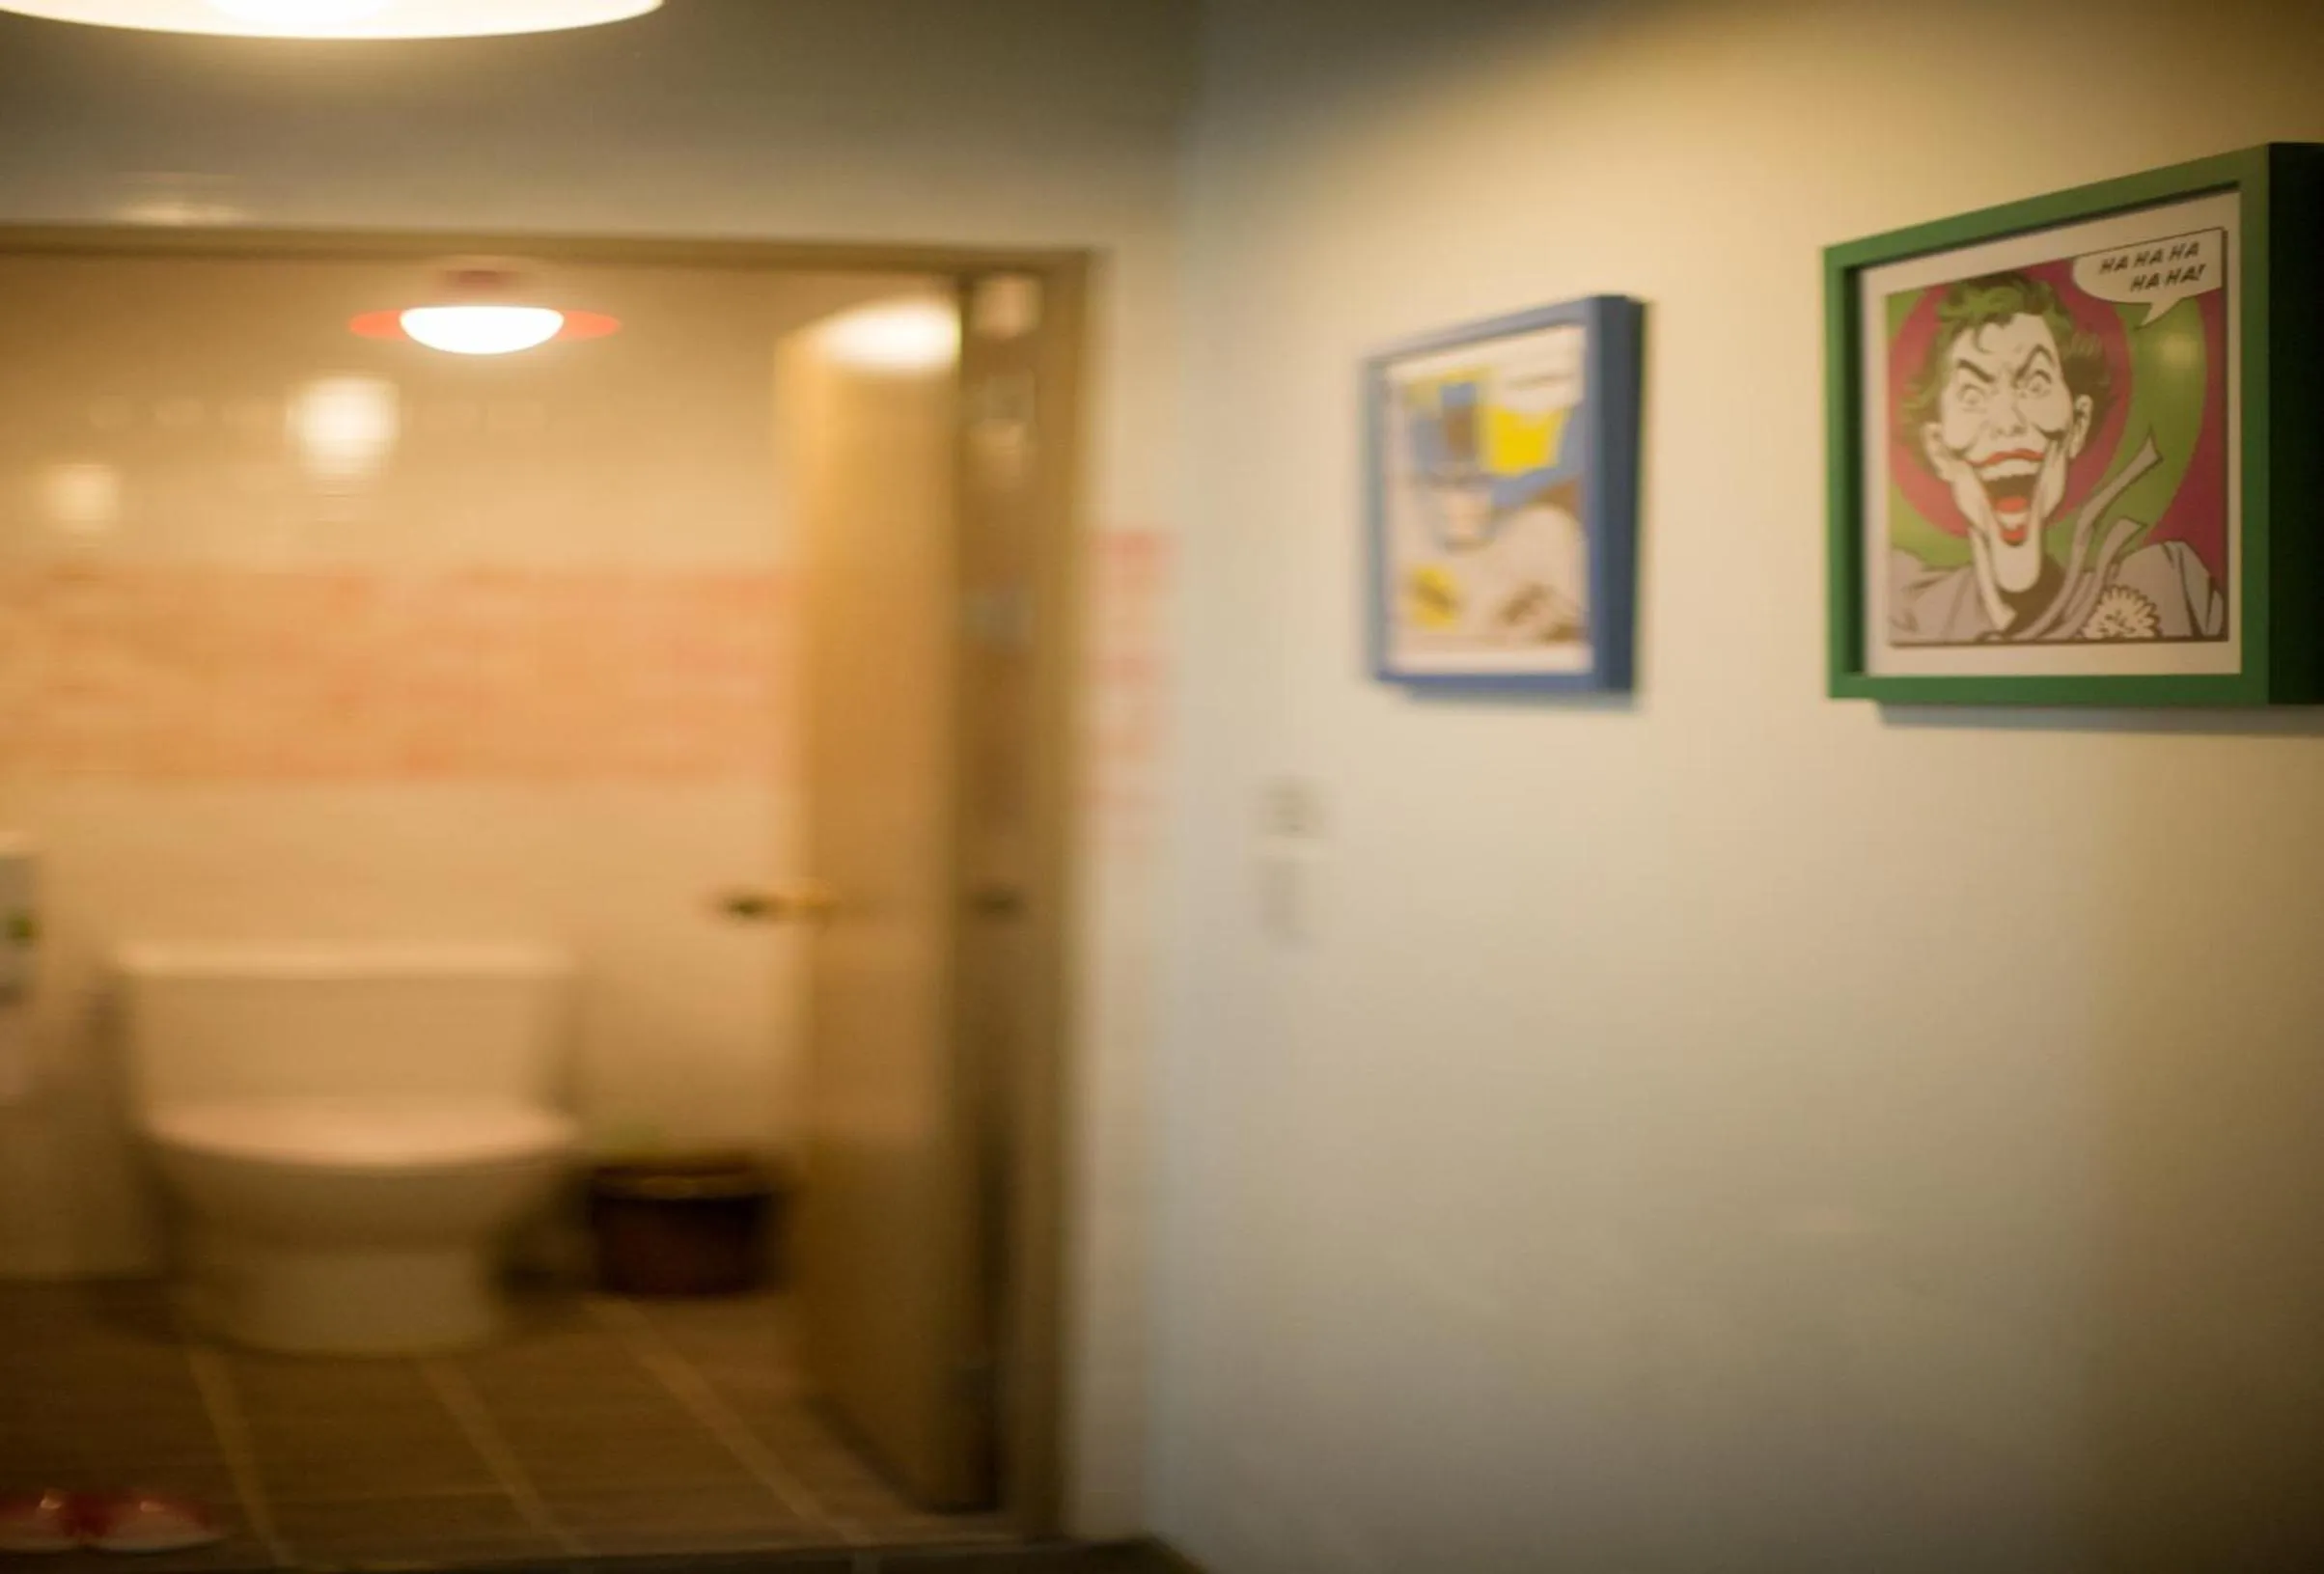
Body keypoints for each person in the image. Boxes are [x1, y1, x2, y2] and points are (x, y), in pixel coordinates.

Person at [1890, 271, 2223, 645]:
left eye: (2034, 384)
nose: (2007, 422)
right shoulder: (1909, 611)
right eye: (1972, 395)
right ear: (1938, 447)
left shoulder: (2170, 587)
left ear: (2076, 424)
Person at [1397, 379, 1588, 649]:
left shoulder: (1540, 532)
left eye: (1478, 482)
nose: (1464, 502)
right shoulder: (1407, 564)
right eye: (1444, 485)